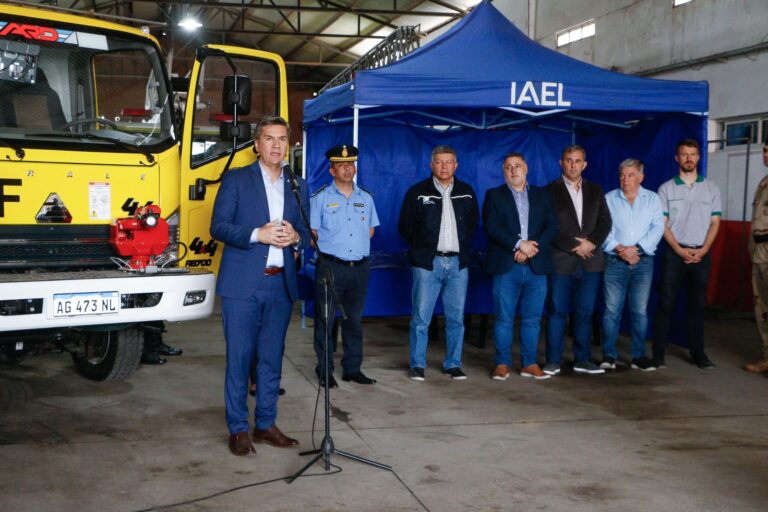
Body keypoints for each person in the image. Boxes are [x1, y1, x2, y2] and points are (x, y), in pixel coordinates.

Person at [210, 115, 310, 456]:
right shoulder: (237, 180)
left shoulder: (298, 185)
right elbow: (218, 227)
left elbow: (306, 235)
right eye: (270, 138)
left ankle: (265, 423)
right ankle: (238, 428)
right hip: (242, 286)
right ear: (257, 144)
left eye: (283, 139)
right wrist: (258, 234)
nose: (277, 145)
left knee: (271, 359)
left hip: (280, 285)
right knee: (240, 358)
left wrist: (297, 238)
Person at [398, 145, 479, 381]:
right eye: (439, 162)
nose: (444, 166)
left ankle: (453, 364)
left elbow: (473, 224)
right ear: (431, 164)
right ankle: (417, 365)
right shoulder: (417, 192)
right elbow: (405, 227)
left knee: (456, 318)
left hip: (457, 263)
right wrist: (423, 249)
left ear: (456, 165)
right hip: (427, 264)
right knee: (421, 318)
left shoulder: (466, 191)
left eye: (449, 162)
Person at [310, 144, 380, 387]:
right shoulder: (319, 198)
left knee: (354, 321)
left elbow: (370, 231)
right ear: (332, 171)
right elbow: (313, 233)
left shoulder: (367, 198)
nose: (347, 168)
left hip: (359, 268)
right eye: (341, 165)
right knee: (326, 321)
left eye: (350, 164)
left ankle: (352, 368)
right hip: (331, 267)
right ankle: (325, 370)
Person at [484, 152, 557, 380]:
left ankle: (529, 363)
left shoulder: (543, 195)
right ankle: (502, 363)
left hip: (536, 265)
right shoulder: (494, 195)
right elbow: (491, 227)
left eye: (517, 166)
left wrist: (532, 249)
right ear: (503, 171)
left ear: (526, 168)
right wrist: (518, 245)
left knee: (532, 319)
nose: (513, 170)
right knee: (504, 317)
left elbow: (551, 226)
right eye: (508, 167)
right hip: (507, 265)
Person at [653, 139, 721, 369]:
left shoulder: (711, 188)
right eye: (684, 154)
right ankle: (658, 354)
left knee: (697, 306)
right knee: (666, 303)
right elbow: (663, 224)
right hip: (675, 253)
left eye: (693, 154)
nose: (689, 158)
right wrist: (680, 250)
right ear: (677, 158)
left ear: (699, 157)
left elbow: (715, 223)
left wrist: (703, 250)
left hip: (701, 254)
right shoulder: (666, 188)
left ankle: (698, 354)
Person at [545, 145, 611, 376]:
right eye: (569, 160)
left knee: (584, 313)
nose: (573, 165)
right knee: (556, 312)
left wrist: (591, 243)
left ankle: (582, 359)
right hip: (561, 262)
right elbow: (548, 226)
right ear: (561, 163)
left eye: (578, 161)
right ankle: (553, 360)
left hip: (591, 262)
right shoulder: (548, 191)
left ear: (585, 164)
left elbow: (605, 222)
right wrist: (575, 246)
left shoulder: (596, 190)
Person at [600, 159, 665, 371]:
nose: (625, 179)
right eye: (621, 174)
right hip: (614, 262)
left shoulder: (653, 199)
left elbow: (657, 228)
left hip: (643, 262)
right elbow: (602, 229)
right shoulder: (609, 198)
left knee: (639, 311)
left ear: (641, 177)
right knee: (611, 311)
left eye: (630, 175)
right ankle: (609, 355)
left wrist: (635, 250)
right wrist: (621, 249)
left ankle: (638, 356)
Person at [746, 141, 768, 373]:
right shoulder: (763, 184)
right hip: (760, 255)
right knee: (762, 307)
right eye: (764, 150)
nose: (766, 154)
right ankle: (767, 356)